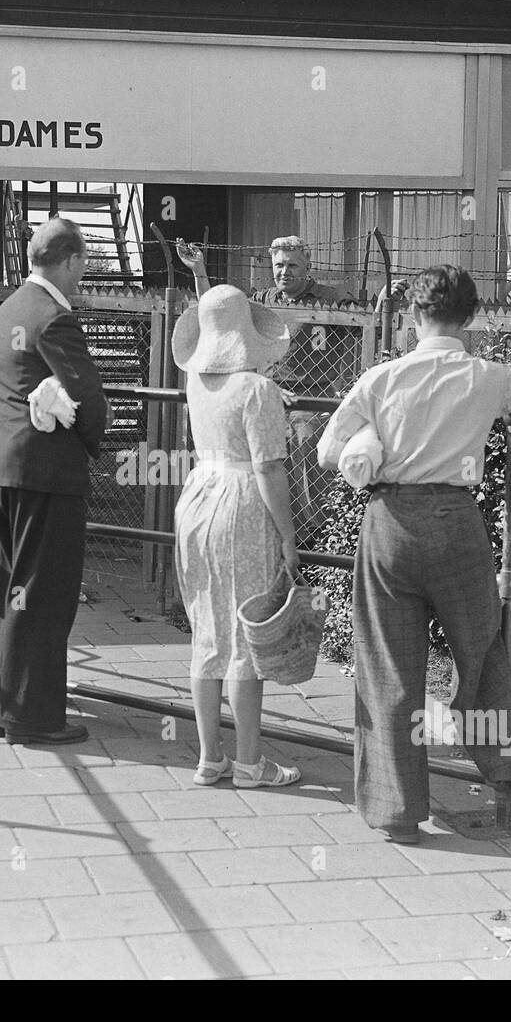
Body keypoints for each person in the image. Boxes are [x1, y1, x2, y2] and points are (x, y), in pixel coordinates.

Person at [316, 265, 511, 843]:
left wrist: (372, 444)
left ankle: (395, 811)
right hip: (456, 522)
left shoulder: (380, 379)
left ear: (413, 316)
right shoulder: (490, 377)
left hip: (389, 522)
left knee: (388, 667)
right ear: (470, 318)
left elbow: (327, 451)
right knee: (479, 648)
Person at [0, 217, 108, 746]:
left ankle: (5, 707)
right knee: (45, 594)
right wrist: (92, 443)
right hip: (45, 472)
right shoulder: (55, 317)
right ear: (72, 260)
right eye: (84, 264)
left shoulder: (11, 307)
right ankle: (34, 717)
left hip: (2, 464)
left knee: (13, 589)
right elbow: (90, 398)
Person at [173, 284, 302, 789]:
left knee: (208, 628)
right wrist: (290, 537)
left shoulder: (196, 383)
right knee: (246, 633)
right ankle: (251, 763)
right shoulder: (258, 392)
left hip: (198, 496)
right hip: (243, 504)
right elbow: (269, 468)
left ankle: (210, 757)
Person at [177, 235, 350, 542]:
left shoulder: (329, 297)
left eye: (293, 265)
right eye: (279, 265)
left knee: (307, 449)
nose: (285, 272)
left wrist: (386, 297)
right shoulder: (263, 300)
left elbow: (369, 317)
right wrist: (199, 272)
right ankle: (274, 529)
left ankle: (317, 534)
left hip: (312, 398)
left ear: (308, 266)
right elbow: (218, 315)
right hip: (266, 393)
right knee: (263, 461)